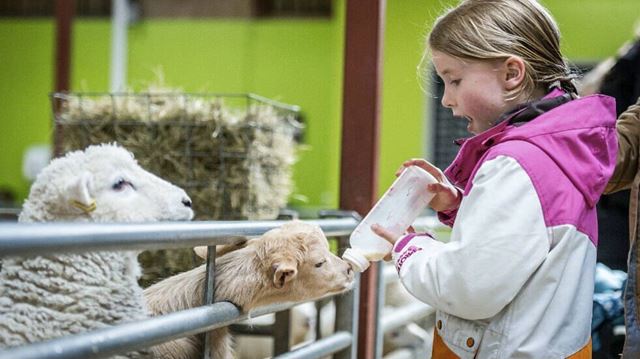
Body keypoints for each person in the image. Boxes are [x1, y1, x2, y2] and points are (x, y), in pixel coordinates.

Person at [371, 0, 618, 357]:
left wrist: (408, 248)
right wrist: (461, 203)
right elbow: (528, 238)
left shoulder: (516, 164)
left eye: (454, 80)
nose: (446, 100)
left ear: (512, 74)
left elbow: (470, 287)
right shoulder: (556, 152)